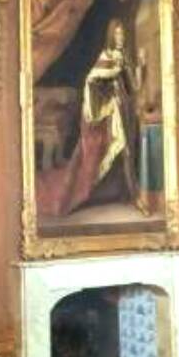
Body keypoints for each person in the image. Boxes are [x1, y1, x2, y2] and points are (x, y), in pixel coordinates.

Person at [36, 19, 149, 217]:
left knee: (126, 152)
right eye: (117, 34)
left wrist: (141, 65)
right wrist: (110, 79)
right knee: (113, 153)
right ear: (111, 36)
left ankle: (131, 194)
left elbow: (134, 87)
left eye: (122, 35)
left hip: (121, 112)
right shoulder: (106, 57)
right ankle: (132, 194)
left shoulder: (123, 58)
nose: (120, 38)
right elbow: (91, 80)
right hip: (105, 115)